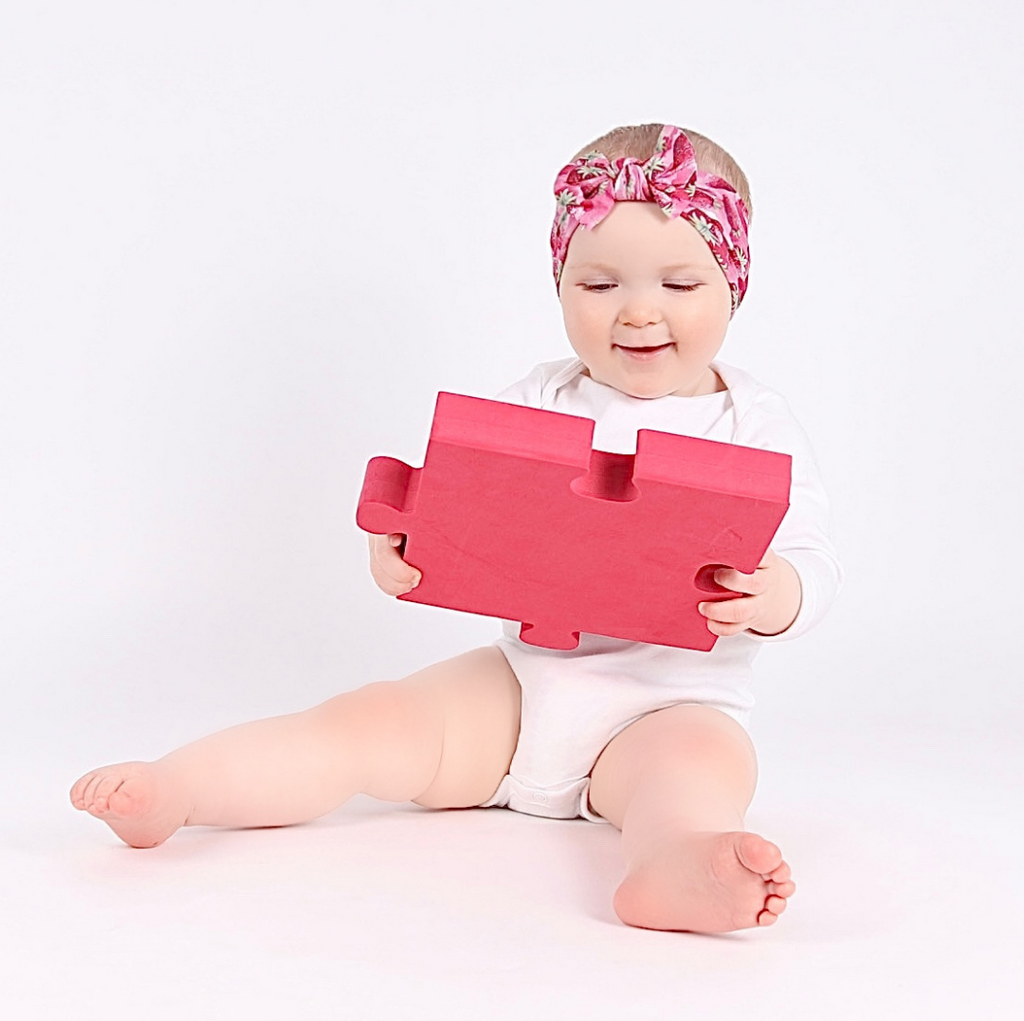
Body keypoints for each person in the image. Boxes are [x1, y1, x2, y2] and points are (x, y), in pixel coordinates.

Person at [70, 123, 841, 934]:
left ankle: (677, 863)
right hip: (518, 684)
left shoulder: (755, 423)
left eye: (680, 286)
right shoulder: (536, 399)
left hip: (670, 703)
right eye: (599, 284)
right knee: (363, 724)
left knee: (696, 774)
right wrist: (406, 545)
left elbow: (813, 560)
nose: (639, 311)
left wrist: (779, 592)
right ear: (560, 285)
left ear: (734, 287)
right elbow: (452, 506)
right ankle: (181, 790)